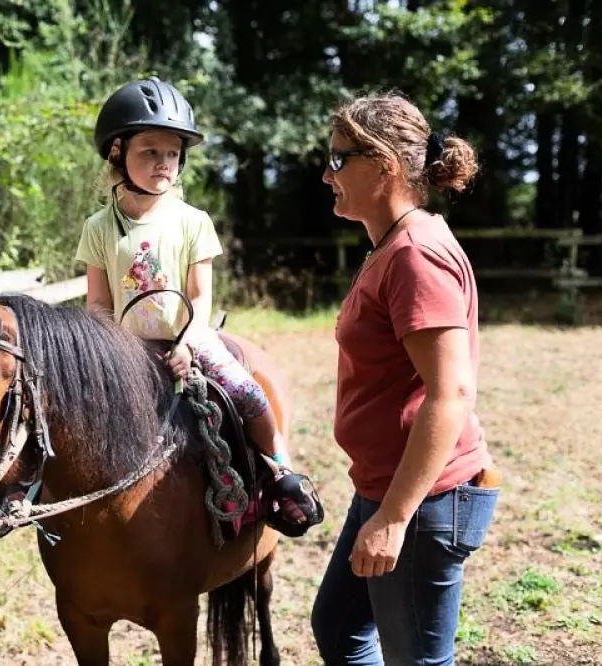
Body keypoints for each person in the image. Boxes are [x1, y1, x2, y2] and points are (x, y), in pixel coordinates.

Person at [74, 76, 324, 536]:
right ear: (117, 153)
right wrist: (112, 354)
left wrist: (188, 341)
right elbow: (97, 303)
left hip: (189, 335)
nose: (163, 163)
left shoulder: (193, 221)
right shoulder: (98, 227)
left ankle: (282, 474)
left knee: (247, 393)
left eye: (172, 153)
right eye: (150, 151)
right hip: (125, 347)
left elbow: (200, 296)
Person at [311, 92, 502, 665]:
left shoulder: (415, 254)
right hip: (386, 484)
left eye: (340, 159)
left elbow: (451, 394)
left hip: (423, 501)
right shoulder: (390, 247)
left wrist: (393, 518)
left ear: (387, 164)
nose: (327, 174)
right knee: (340, 627)